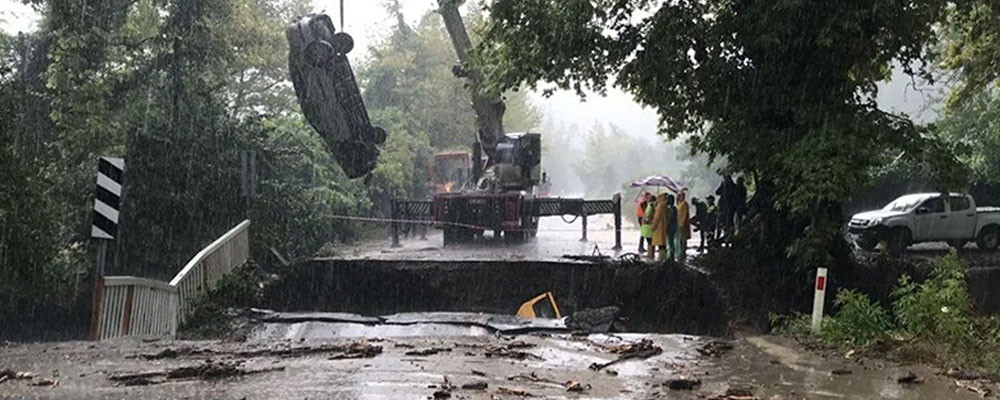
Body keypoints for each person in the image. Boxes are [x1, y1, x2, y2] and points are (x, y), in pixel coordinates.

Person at [650, 193, 670, 261]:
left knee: (660, 244)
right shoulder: (666, 206)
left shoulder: (660, 206)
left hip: (658, 229)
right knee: (662, 244)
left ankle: (661, 258)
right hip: (664, 227)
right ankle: (663, 258)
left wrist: (653, 227)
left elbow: (656, 218)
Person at [676, 191, 690, 260]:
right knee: (680, 239)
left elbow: (684, 214)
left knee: (683, 239)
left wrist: (682, 223)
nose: (680, 197)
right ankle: (681, 252)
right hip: (679, 223)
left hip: (682, 224)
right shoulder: (679, 204)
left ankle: (683, 252)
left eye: (681, 196)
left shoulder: (684, 204)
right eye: (679, 196)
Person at [665, 194, 679, 261]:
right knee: (671, 241)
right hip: (673, 226)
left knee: (671, 242)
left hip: (671, 227)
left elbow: (670, 218)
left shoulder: (672, 208)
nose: (666, 200)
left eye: (667, 199)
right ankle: (671, 255)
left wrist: (666, 225)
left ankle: (671, 256)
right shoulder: (673, 208)